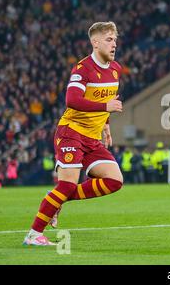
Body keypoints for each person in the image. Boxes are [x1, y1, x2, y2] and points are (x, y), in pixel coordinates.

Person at [23, 21, 124, 246]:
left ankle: (57, 198)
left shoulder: (116, 69)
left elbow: (102, 100)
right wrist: (105, 108)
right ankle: (33, 234)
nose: (114, 44)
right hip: (71, 132)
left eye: (115, 39)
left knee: (114, 180)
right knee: (67, 184)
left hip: (92, 137)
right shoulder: (83, 68)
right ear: (95, 43)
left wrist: (105, 125)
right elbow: (72, 100)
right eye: (108, 39)